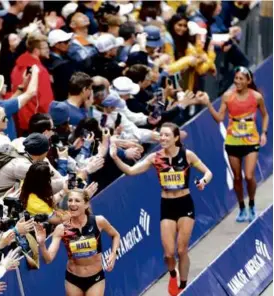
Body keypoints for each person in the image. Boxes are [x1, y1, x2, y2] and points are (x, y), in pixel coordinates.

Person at [109, 122, 213, 295]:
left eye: (167, 135)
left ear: (176, 138)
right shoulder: (154, 158)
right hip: (167, 206)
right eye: (161, 135)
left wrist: (203, 182)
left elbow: (208, 172)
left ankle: (183, 287)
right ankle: (173, 274)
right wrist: (115, 157)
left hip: (185, 203)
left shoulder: (187, 155)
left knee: (182, 249)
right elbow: (130, 171)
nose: (163, 138)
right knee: (169, 254)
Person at [203, 66, 269, 222]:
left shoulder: (256, 97)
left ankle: (252, 204)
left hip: (251, 140)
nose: (237, 82)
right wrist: (208, 104)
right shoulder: (227, 96)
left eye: (241, 79)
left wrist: (264, 133)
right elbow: (219, 118)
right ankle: (241, 207)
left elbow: (265, 116)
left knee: (250, 175)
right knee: (238, 178)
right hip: (233, 141)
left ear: (248, 80)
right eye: (236, 78)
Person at [35, 189, 120, 296]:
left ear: (86, 205)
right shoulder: (61, 229)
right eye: (70, 200)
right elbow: (48, 259)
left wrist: (113, 253)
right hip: (73, 280)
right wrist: (42, 244)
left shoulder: (98, 221)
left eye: (77, 201)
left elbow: (116, 235)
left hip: (95, 278)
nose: (72, 204)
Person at [11, 33, 54, 134]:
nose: (48, 50)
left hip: (19, 120)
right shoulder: (40, 71)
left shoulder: (16, 68)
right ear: (36, 51)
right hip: (36, 123)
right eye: (45, 48)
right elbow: (45, 101)